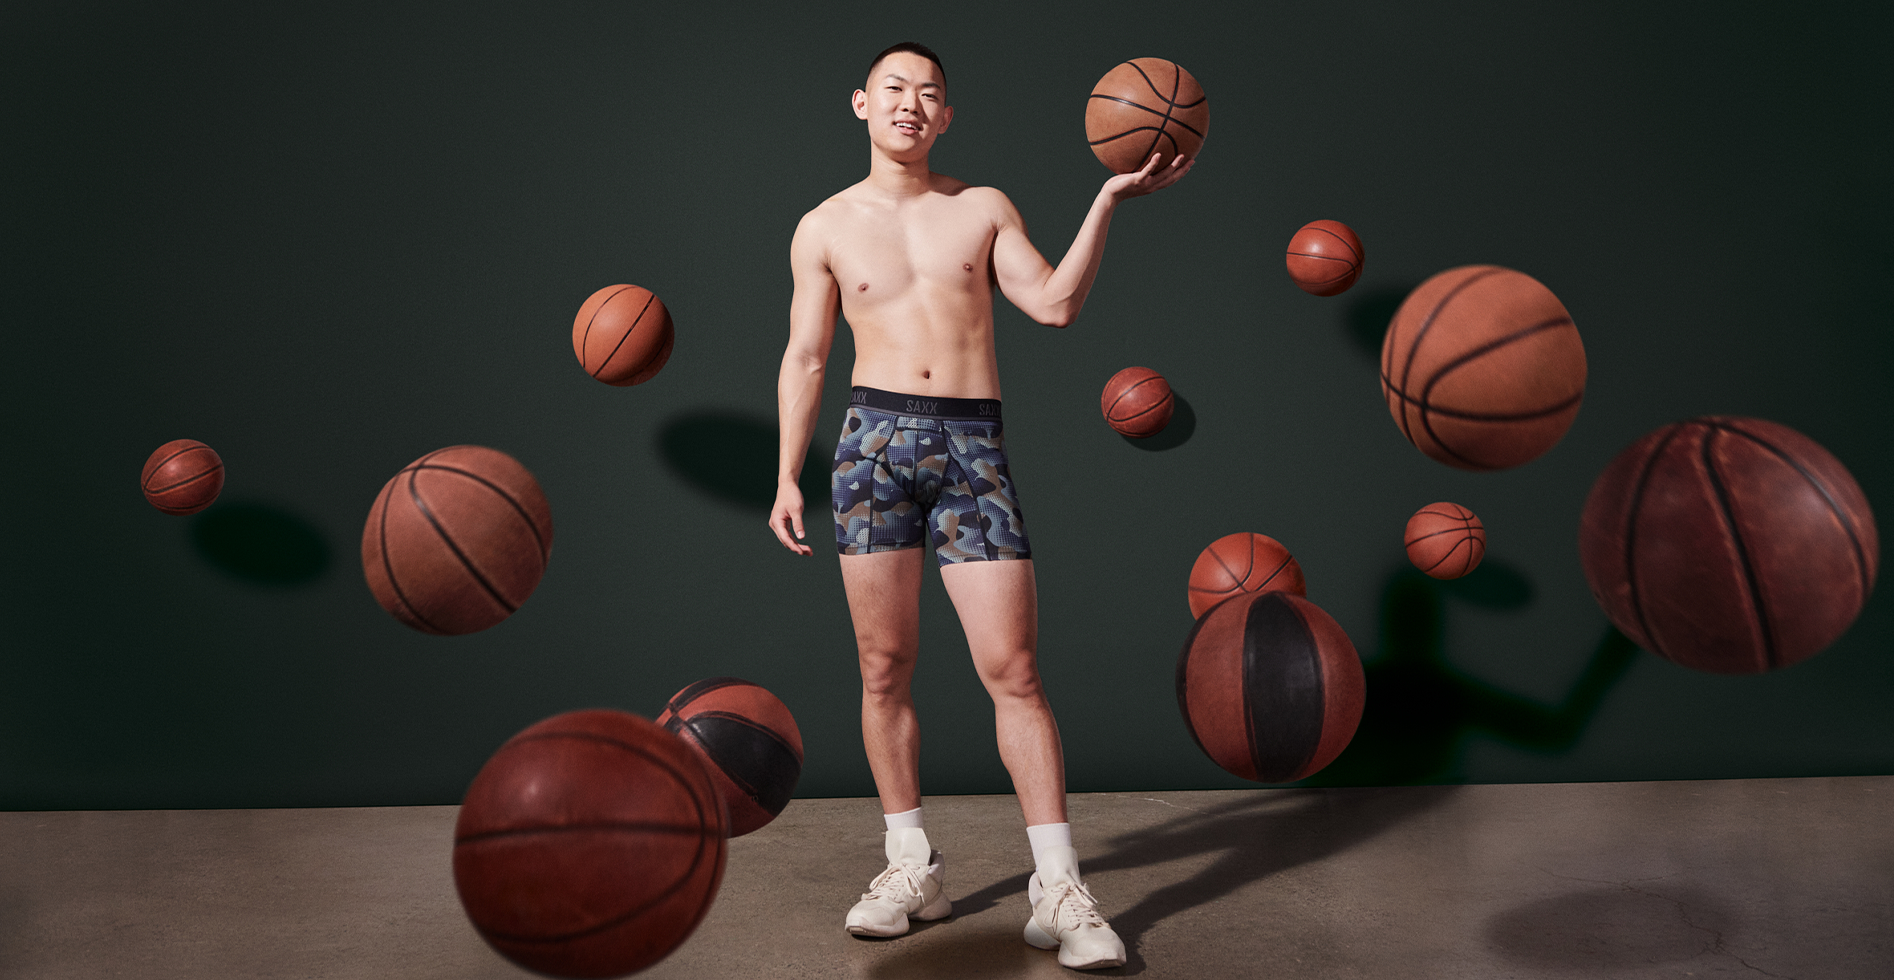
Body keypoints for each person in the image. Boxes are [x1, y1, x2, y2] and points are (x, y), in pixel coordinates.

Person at [767, 41, 1190, 971]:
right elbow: (806, 356)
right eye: (894, 90)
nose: (910, 105)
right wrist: (787, 475)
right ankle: (910, 866)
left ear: (945, 116)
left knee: (1015, 671)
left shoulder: (983, 207)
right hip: (869, 447)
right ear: (861, 105)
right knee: (884, 669)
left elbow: (1052, 306)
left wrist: (1107, 201)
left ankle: (1059, 887)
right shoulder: (823, 226)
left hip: (969, 448)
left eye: (928, 94)